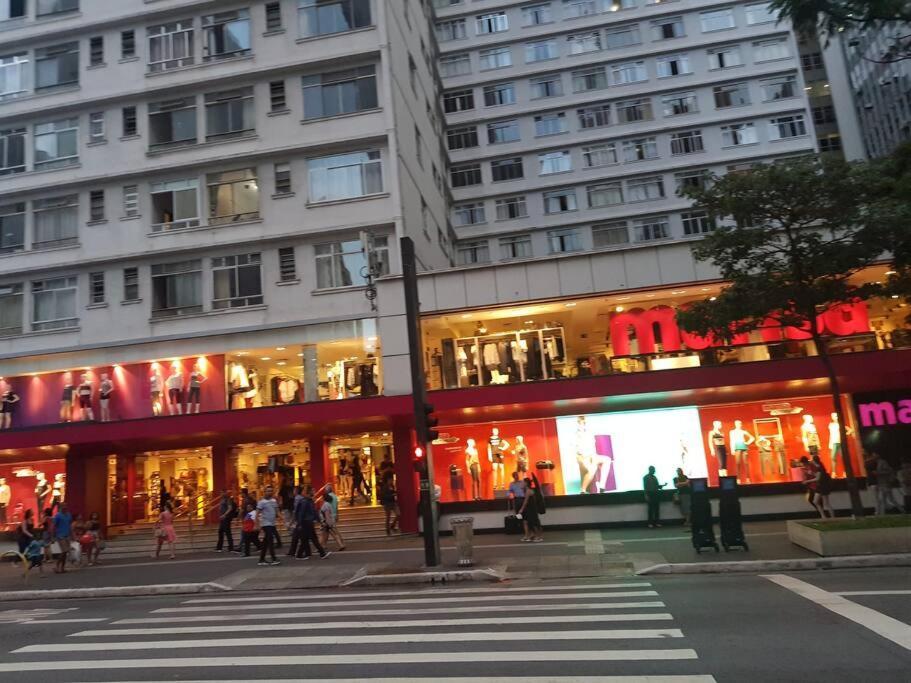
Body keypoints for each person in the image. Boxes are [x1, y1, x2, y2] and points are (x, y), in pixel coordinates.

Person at [293, 486, 328, 560]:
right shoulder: (305, 501)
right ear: (309, 492)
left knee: (307, 539)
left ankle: (321, 553)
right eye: (313, 491)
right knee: (312, 538)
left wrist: (319, 521)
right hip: (305, 522)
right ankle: (322, 553)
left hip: (308, 522)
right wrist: (299, 524)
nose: (314, 492)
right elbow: (301, 513)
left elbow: (314, 512)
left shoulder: (309, 501)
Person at [256, 485, 281, 566]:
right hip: (266, 524)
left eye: (271, 491)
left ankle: (261, 559)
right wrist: (258, 526)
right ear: (265, 492)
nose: (270, 492)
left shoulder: (274, 501)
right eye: (268, 491)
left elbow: (277, 512)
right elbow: (257, 514)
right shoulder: (261, 502)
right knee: (270, 541)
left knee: (265, 543)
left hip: (272, 524)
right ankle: (273, 559)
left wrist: (283, 519)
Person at [517, 476, 543, 542]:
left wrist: (521, 509)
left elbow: (526, 501)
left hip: (532, 509)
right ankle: (533, 535)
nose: (522, 483)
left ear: (526, 483)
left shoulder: (528, 491)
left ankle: (539, 537)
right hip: (529, 509)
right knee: (529, 522)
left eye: (523, 482)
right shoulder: (526, 490)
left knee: (534, 522)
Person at [52, 503, 73, 574]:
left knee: (66, 552)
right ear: (60, 507)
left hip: (67, 535)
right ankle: (57, 566)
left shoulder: (69, 515)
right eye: (63, 506)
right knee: (64, 551)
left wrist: (72, 535)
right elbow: (54, 526)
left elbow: (70, 525)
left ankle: (62, 568)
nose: (65, 507)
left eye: (65, 506)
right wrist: (52, 536)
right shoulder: (58, 515)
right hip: (60, 536)